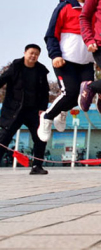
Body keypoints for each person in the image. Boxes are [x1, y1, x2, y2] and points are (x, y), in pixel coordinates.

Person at [39, 0, 96, 142]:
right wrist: (55, 55)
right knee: (69, 92)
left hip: (87, 61)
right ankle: (47, 117)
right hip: (65, 61)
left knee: (85, 96)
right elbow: (51, 34)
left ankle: (62, 111)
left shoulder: (95, 9)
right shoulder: (65, 6)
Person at [0, 45, 50, 175]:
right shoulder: (15, 66)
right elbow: (2, 79)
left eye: (36, 54)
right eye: (31, 53)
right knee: (4, 137)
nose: (33, 56)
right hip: (14, 110)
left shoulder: (41, 70)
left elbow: (45, 91)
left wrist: (43, 109)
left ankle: (37, 166)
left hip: (33, 111)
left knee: (40, 138)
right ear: (25, 53)